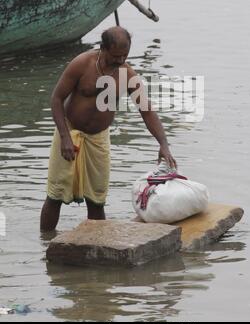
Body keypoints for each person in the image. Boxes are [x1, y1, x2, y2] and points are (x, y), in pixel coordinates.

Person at [40, 26, 177, 231]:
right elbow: (57, 99)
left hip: (98, 138)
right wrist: (65, 137)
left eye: (124, 56)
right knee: (55, 195)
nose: (120, 61)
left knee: (96, 199)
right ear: (102, 48)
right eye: (115, 56)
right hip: (70, 132)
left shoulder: (127, 74)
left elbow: (147, 111)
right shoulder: (81, 64)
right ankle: (46, 244)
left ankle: (97, 247)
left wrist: (163, 144)